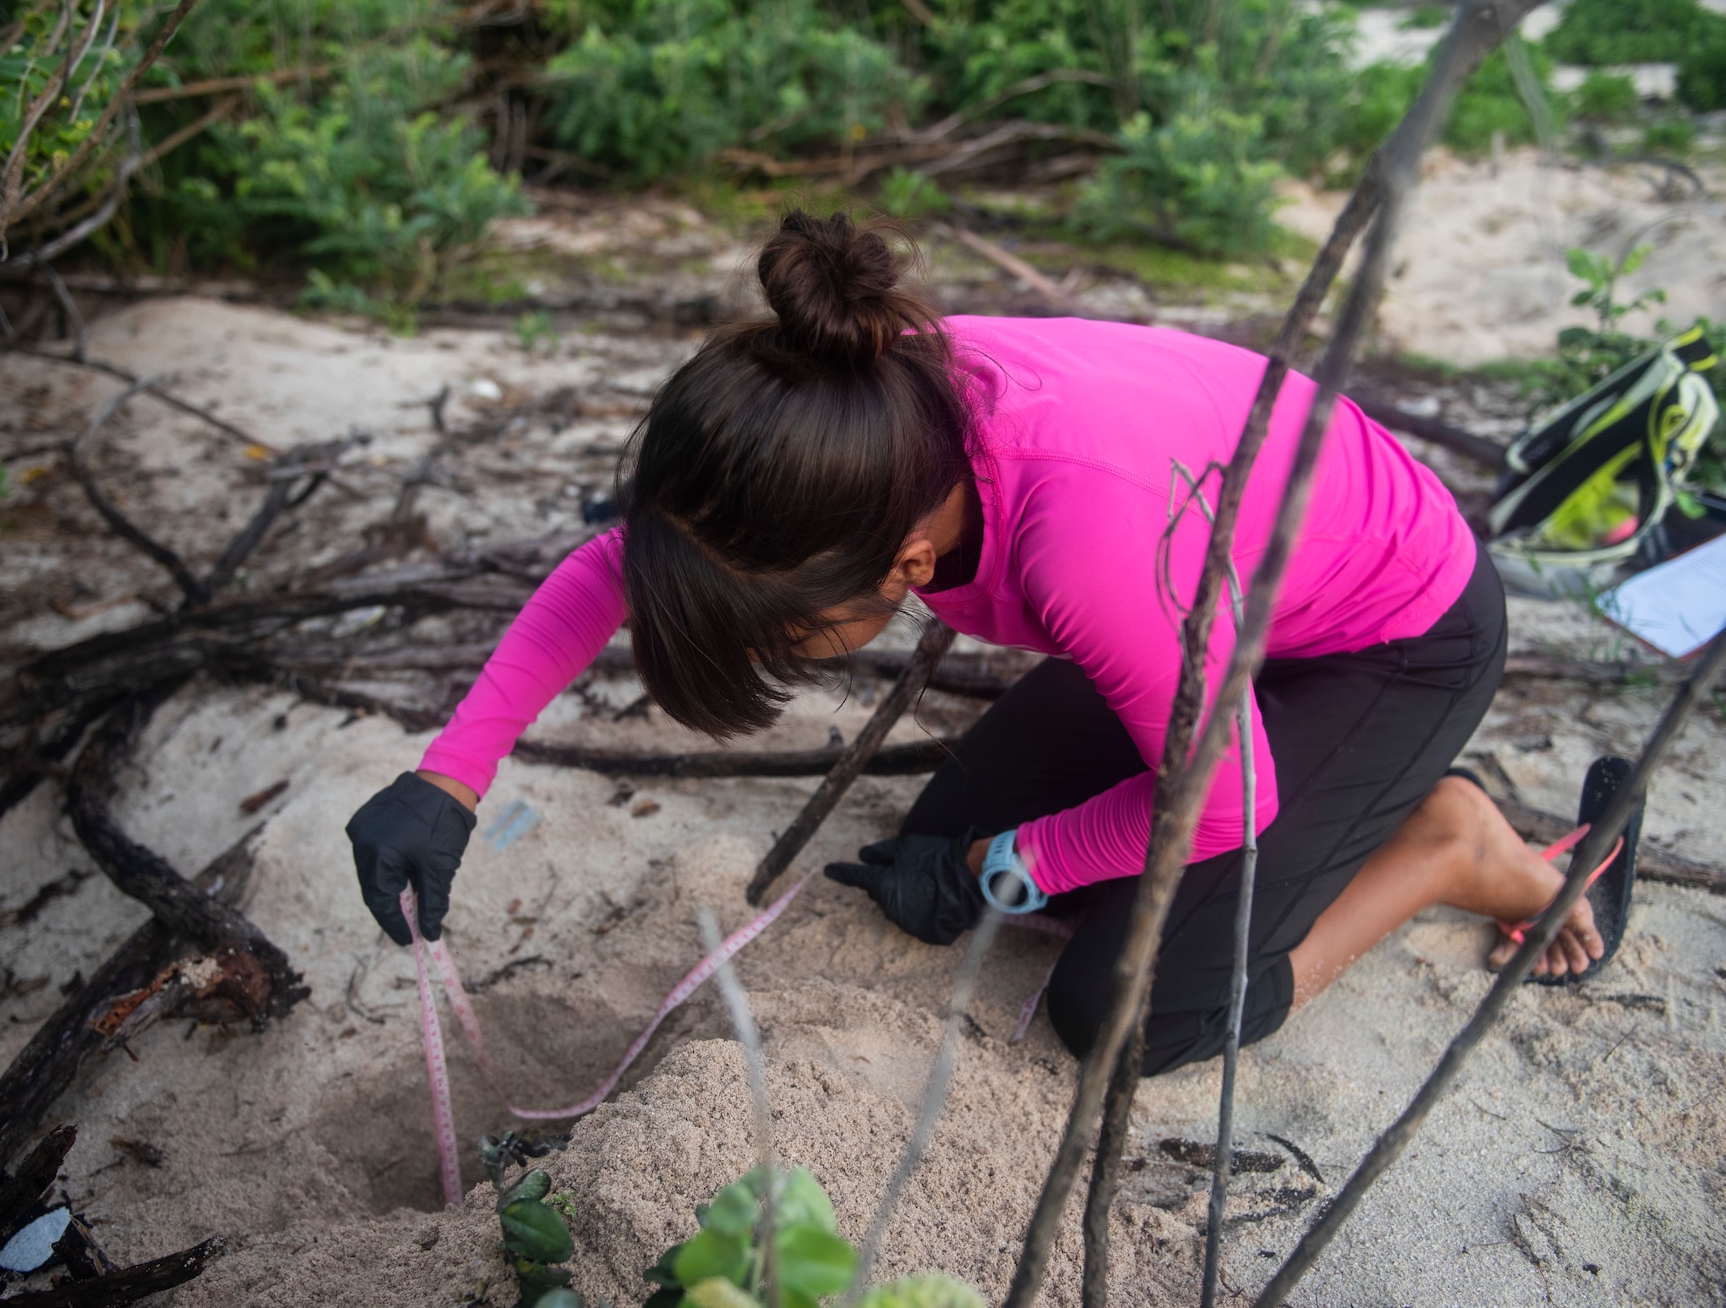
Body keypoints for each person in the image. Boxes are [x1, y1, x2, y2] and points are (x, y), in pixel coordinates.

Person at [348, 212, 1638, 1077]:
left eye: (788, 634)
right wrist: (449, 776)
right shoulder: (857, 409)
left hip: (1388, 636)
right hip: (1215, 608)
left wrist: (1004, 860)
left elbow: (1225, 796)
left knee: (1125, 1013)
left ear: (901, 566)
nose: (786, 650)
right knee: (943, 842)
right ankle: (1312, 818)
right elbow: (639, 555)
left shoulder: (1078, 549)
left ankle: (1454, 848)